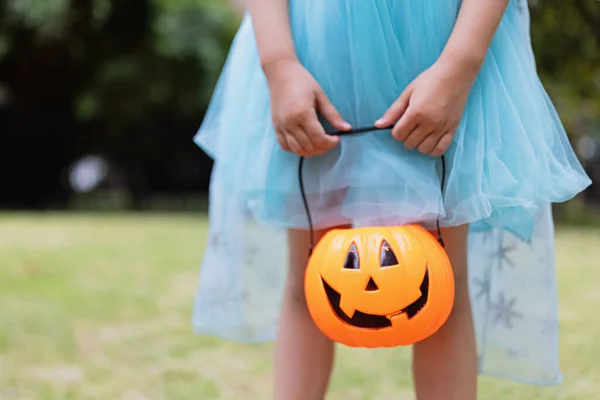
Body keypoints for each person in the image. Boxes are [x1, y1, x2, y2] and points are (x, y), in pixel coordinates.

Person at [192, 0, 592, 399]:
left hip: (440, 40)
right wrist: (279, 63)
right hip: (313, 45)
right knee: (311, 280)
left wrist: (460, 64)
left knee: (441, 283)